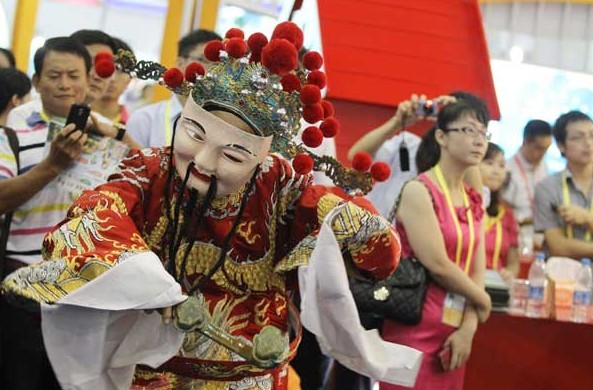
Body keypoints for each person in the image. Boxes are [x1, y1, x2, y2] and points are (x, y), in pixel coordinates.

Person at [2, 24, 405, 389]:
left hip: (250, 376)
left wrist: (355, 224)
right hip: (155, 371)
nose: (204, 163)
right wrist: (149, 284)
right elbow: (94, 215)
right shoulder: (151, 170)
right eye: (194, 134)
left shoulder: (279, 185)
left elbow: (377, 253)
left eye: (233, 156)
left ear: (262, 157)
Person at [380, 99, 492, 390]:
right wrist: (483, 301)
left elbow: (477, 268)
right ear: (441, 136)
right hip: (415, 327)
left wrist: (469, 326)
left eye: (484, 132)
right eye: (469, 130)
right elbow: (437, 264)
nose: (479, 139)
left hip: (455, 335)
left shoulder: (472, 198)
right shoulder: (420, 189)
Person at [126, 29, 222, 147]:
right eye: (204, 60)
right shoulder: (145, 119)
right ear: (180, 63)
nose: (212, 70)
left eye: (218, 65)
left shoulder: (222, 124)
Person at [534, 111, 593, 258]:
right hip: (561, 275)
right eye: (578, 137)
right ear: (561, 146)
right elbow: (558, 247)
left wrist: (587, 218)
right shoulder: (548, 187)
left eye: (592, 135)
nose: (588, 143)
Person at [502, 119, 552, 249]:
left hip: (542, 236)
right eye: (540, 148)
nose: (543, 154)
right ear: (526, 141)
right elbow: (503, 210)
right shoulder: (507, 169)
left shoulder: (544, 166)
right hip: (516, 236)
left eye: (546, 149)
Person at [479, 142, 519, 281]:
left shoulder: (507, 214)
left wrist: (510, 273)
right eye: (489, 163)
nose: (496, 171)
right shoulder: (462, 206)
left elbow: (513, 261)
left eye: (501, 166)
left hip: (496, 286)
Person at [70, 29, 117, 107]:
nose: (97, 77)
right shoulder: (43, 115)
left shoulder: (97, 119)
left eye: (105, 66)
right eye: (90, 64)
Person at [92, 37, 133, 124]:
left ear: (129, 79)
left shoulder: (136, 125)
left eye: (120, 71)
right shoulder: (70, 115)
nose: (112, 78)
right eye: (105, 68)